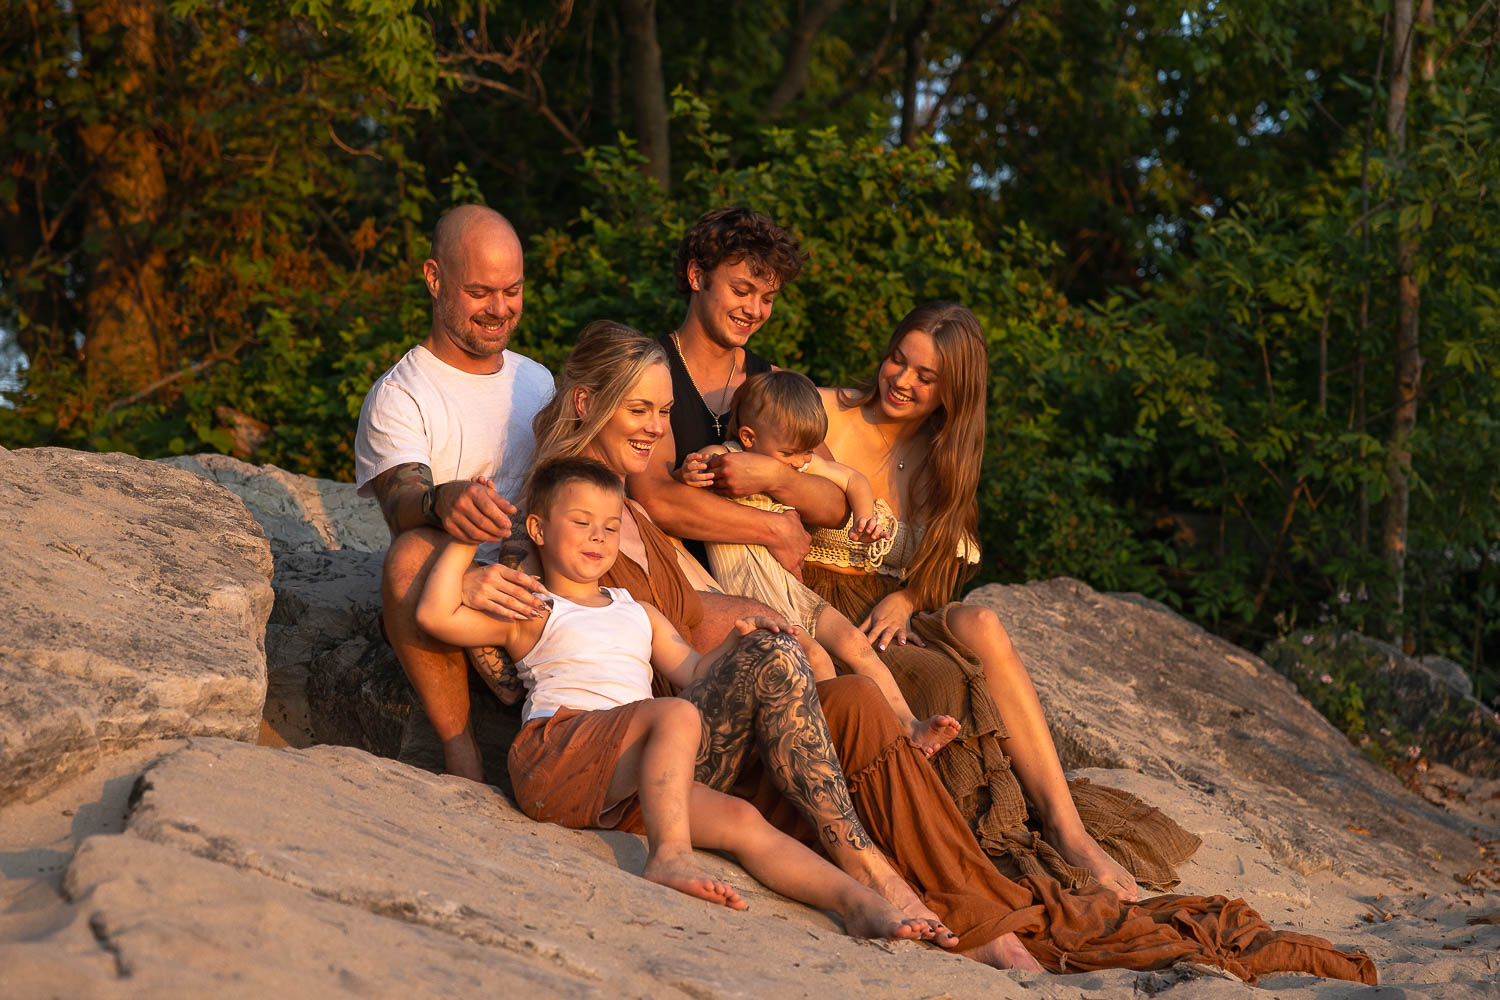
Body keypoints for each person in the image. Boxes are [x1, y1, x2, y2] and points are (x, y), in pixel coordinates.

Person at [517, 319, 1377, 984]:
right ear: (588, 405)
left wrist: (779, 602)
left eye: (664, 413)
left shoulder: (630, 502)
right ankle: (924, 892)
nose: (660, 430)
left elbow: (694, 607)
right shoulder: (564, 515)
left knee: (854, 698)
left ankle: (984, 908)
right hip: (647, 755)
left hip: (709, 712)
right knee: (823, 673)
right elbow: (517, 596)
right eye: (644, 412)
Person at [414, 456, 943, 942]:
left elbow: (693, 670)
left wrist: (740, 642)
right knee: (673, 713)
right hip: (559, 758)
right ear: (538, 530)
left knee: (740, 820)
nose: (598, 538)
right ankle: (670, 856)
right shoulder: (532, 606)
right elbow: (434, 616)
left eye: (611, 527)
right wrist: (466, 537)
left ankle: (858, 902)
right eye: (581, 524)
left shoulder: (636, 609)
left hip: (634, 776)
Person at [804, 301, 1172, 901]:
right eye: (899, 359)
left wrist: (907, 597)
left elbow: (946, 561)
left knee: (982, 622)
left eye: (927, 378)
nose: (902, 381)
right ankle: (962, 833)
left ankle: (1067, 827)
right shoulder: (820, 409)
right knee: (945, 683)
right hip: (816, 598)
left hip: (885, 610)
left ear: (953, 392)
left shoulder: (944, 454)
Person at [354, 205, 556, 783]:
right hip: (453, 582)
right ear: (434, 278)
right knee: (408, 554)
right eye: (479, 292)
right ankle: (460, 752)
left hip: (544, 573)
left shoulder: (536, 380)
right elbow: (402, 506)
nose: (499, 309)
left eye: (512, 290)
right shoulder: (402, 395)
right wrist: (444, 500)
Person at [675, 369, 960, 757]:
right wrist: (687, 472)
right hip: (754, 595)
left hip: (795, 589)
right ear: (748, 438)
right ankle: (832, 744)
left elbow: (852, 479)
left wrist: (865, 516)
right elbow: (682, 485)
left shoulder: (799, 461)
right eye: (792, 453)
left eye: (807, 452)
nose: (803, 462)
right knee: (819, 660)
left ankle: (909, 723)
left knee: (854, 644)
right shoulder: (724, 458)